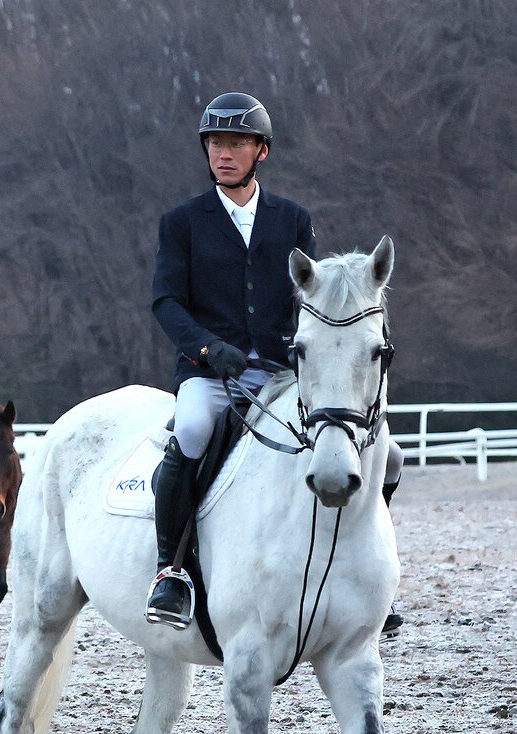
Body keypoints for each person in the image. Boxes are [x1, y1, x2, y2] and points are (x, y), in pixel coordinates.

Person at [146, 93, 404, 634]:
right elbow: (166, 302)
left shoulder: (292, 219)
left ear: (261, 151)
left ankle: (361, 566)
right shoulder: (183, 223)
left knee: (391, 454)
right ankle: (171, 572)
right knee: (192, 429)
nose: (224, 153)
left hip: (282, 373)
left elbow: (310, 299)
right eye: (216, 143)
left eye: (237, 143)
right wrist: (208, 350)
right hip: (210, 373)